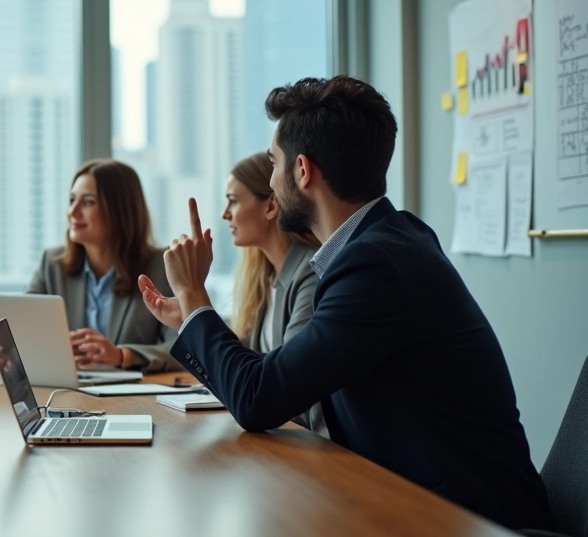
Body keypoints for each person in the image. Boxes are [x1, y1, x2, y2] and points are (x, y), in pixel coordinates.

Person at [139, 75, 551, 531]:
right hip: (415, 500)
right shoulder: (388, 241)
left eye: (274, 165)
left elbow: (260, 398)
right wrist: (191, 318)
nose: (272, 183)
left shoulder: (375, 264)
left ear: (302, 170)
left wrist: (196, 298)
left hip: (466, 519)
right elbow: (273, 385)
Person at [28, 159, 182, 373]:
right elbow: (22, 331)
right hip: (67, 393)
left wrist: (121, 355)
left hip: (135, 400)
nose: (73, 211)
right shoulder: (51, 265)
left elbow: (184, 348)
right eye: (72, 200)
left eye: (88, 202)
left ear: (120, 210)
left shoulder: (161, 267)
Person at [223, 152, 325, 435]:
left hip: (309, 441)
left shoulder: (310, 273)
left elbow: (290, 387)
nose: (225, 214)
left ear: (270, 205)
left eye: (233, 200)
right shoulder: (263, 278)